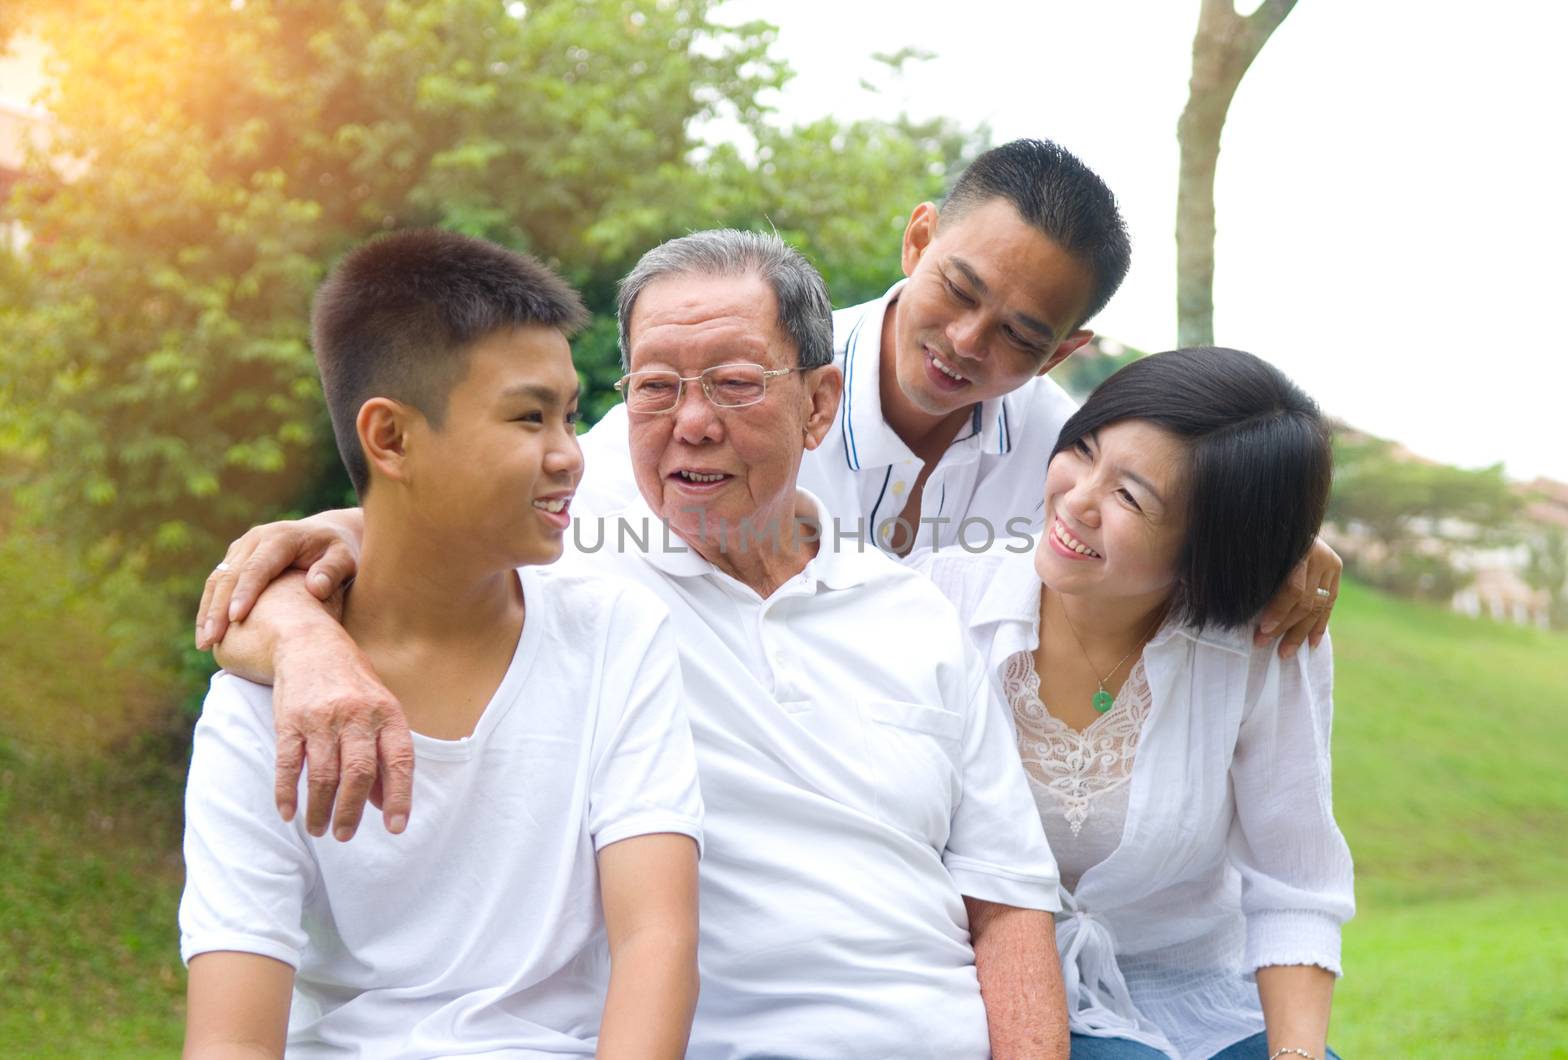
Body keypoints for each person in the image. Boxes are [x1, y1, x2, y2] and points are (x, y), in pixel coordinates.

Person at [205, 230, 1071, 1058]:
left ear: (818, 405)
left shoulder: (916, 616)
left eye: (734, 384)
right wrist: (301, 636)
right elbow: (411, 522)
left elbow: (1008, 901)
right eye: (654, 388)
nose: (690, 423)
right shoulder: (580, 578)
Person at [180, 230, 705, 1059]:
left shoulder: (614, 634)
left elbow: (657, 944)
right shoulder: (256, 704)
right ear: (389, 439)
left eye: (570, 416)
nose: (571, 456)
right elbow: (232, 1039)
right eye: (529, 417)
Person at [572, 139, 1342, 647]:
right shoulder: (754, 377)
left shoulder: (1068, 456)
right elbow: (583, 492)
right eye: (958, 288)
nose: (967, 342)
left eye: (1020, 335)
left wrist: (1280, 541)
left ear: (1062, 353)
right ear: (918, 240)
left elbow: (1170, 515)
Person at [913, 347, 1355, 1060]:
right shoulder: (940, 600)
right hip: (983, 990)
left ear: (1209, 547)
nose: (1077, 500)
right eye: (1082, 452)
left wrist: (1296, 1055)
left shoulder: (1265, 642)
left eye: (1129, 497)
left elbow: (1295, 883)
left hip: (1195, 997)